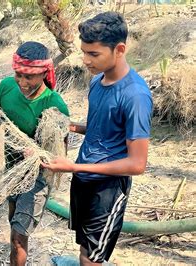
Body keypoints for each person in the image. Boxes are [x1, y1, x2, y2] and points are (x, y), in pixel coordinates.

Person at [43, 12, 153, 265]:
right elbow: (100, 128)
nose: (85, 60)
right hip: (83, 180)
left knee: (91, 257)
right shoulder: (97, 82)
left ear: (119, 49)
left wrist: (74, 167)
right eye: (84, 52)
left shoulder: (135, 95)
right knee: (84, 245)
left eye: (93, 54)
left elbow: (137, 164)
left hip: (107, 190)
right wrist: (72, 127)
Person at [0, 41, 69, 266]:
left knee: (19, 237)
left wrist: (38, 153)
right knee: (12, 221)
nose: (22, 82)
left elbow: (60, 154)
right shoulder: (6, 87)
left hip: (36, 177)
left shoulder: (54, 105)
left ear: (44, 73)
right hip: (11, 172)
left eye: (29, 77)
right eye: (18, 75)